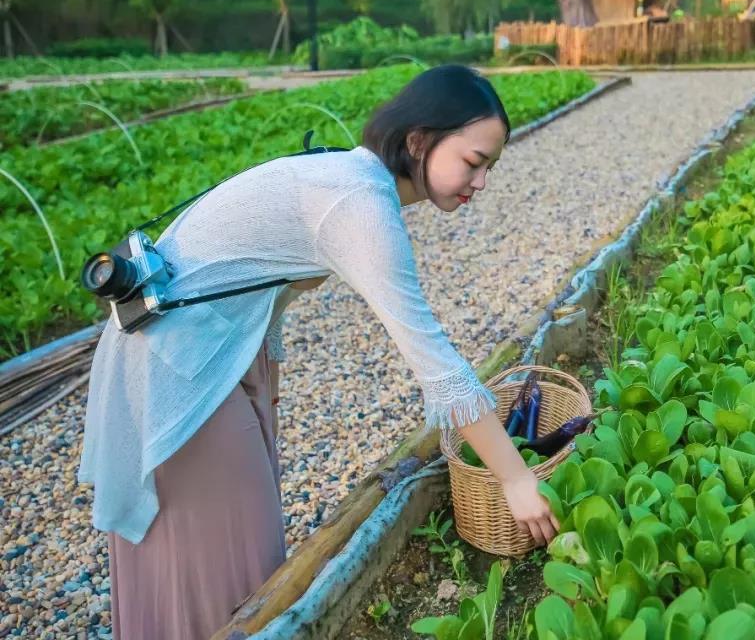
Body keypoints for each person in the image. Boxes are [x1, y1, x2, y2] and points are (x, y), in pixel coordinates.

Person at [76, 64, 560, 639]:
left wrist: (261, 388)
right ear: (419, 141)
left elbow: (261, 283)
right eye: (474, 163)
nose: (480, 183)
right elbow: (440, 368)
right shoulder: (359, 201)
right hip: (174, 373)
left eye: (489, 168)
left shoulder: (348, 175)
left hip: (199, 357)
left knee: (232, 553)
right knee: (231, 565)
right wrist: (513, 479)